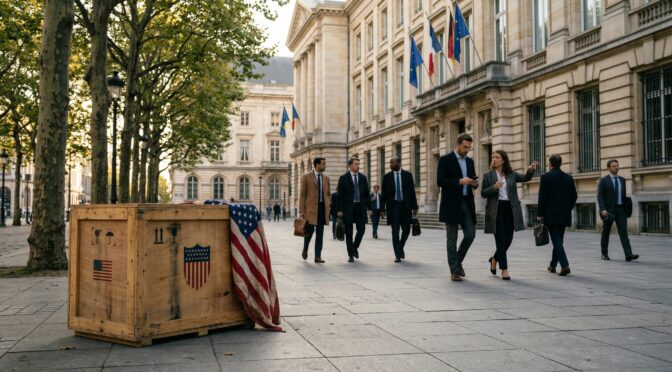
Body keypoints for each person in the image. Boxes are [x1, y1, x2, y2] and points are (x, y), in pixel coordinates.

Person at [481, 150, 538, 280]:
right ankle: (504, 269)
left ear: (504, 160)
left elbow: (525, 178)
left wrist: (530, 170)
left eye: (497, 157)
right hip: (496, 210)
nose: (494, 159)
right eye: (493, 157)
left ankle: (494, 259)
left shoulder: (511, 174)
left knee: (508, 240)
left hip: (510, 209)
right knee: (500, 239)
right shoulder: (488, 175)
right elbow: (483, 193)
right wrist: (494, 187)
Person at [437, 133, 479, 282]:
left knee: (470, 234)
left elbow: (473, 179)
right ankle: (454, 270)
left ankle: (458, 261)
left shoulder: (470, 162)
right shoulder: (445, 160)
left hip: (467, 203)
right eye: (465, 147)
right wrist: (460, 182)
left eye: (469, 147)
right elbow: (440, 181)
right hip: (451, 204)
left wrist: (474, 183)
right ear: (458, 144)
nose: (467, 150)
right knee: (452, 239)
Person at [538, 154, 577, 276]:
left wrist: (540, 213)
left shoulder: (545, 177)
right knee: (559, 240)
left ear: (550, 164)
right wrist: (568, 208)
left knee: (557, 240)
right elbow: (574, 196)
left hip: (551, 215)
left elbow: (542, 197)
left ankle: (565, 265)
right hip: (564, 214)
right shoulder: (568, 178)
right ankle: (552, 265)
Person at [597, 159, 639, 262]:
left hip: (621, 210)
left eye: (617, 166)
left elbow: (623, 196)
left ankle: (628, 254)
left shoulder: (622, 180)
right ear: (609, 168)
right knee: (606, 232)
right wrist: (603, 209)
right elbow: (600, 196)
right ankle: (604, 254)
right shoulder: (604, 180)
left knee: (623, 232)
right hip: (609, 210)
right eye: (614, 166)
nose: (616, 168)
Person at [381, 156, 418, 262]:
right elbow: (383, 194)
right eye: (390, 163)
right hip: (393, 207)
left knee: (406, 230)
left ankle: (400, 247)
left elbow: (412, 191)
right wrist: (382, 209)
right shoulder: (387, 177)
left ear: (399, 163)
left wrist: (414, 206)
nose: (390, 165)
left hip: (406, 206)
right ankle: (397, 255)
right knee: (395, 231)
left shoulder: (408, 175)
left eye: (392, 162)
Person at [337, 158, 371, 262]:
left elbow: (366, 194)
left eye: (359, 164)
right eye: (356, 164)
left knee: (361, 230)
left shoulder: (363, 178)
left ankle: (354, 247)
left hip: (360, 208)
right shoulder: (343, 178)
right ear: (350, 166)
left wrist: (369, 208)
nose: (358, 166)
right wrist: (339, 209)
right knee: (349, 232)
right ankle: (350, 254)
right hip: (348, 209)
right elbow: (340, 196)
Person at [299, 157, 330, 263]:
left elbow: (328, 194)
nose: (325, 166)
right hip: (310, 210)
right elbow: (302, 195)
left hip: (322, 209)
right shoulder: (306, 177)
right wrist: (301, 210)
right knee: (309, 231)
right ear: (317, 165)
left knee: (320, 233)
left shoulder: (326, 178)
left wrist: (328, 205)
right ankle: (305, 247)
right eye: (323, 164)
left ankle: (318, 256)